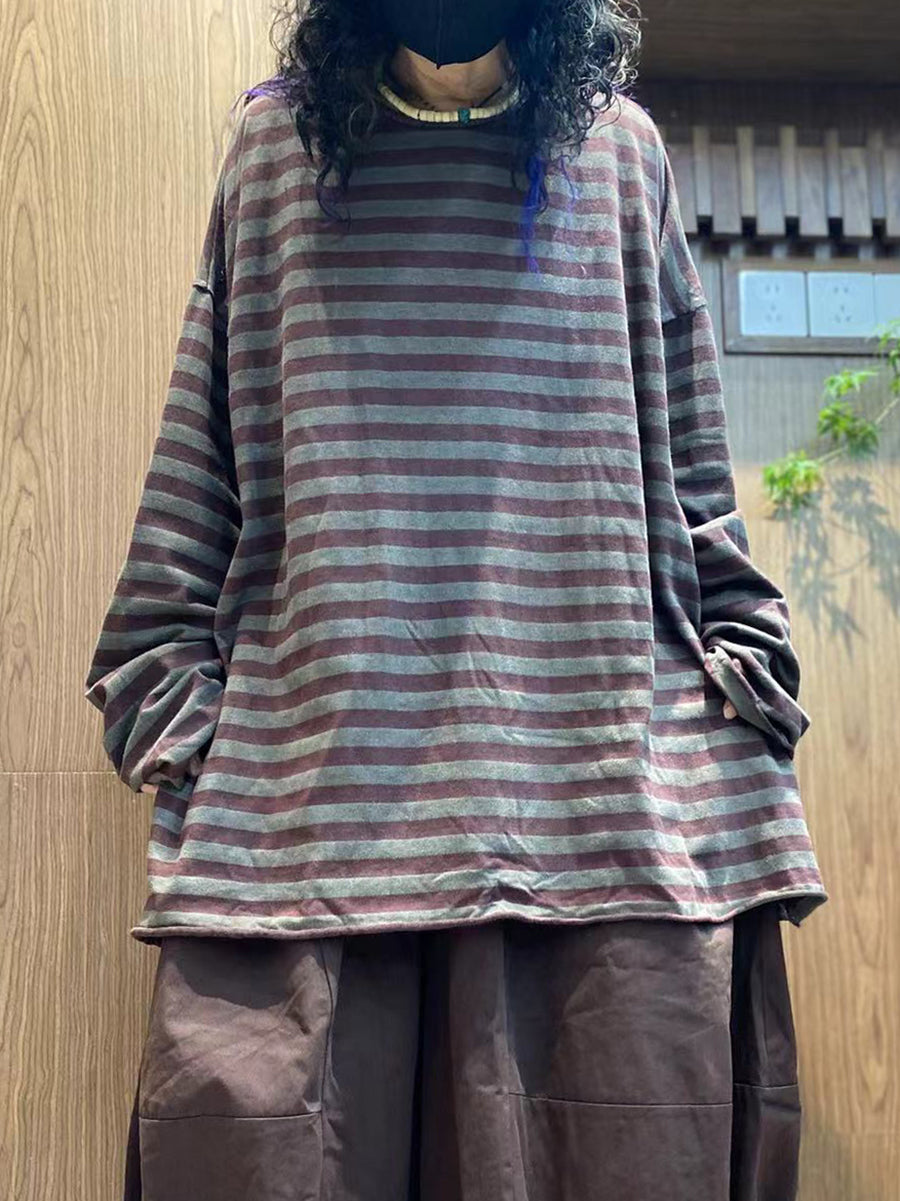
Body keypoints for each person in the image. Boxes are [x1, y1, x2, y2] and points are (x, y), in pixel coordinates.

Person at [86, 2, 827, 1198]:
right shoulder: (275, 156)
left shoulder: (619, 155)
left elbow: (696, 492)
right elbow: (192, 499)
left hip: (605, 838)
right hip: (304, 847)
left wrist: (741, 680)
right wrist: (205, 744)